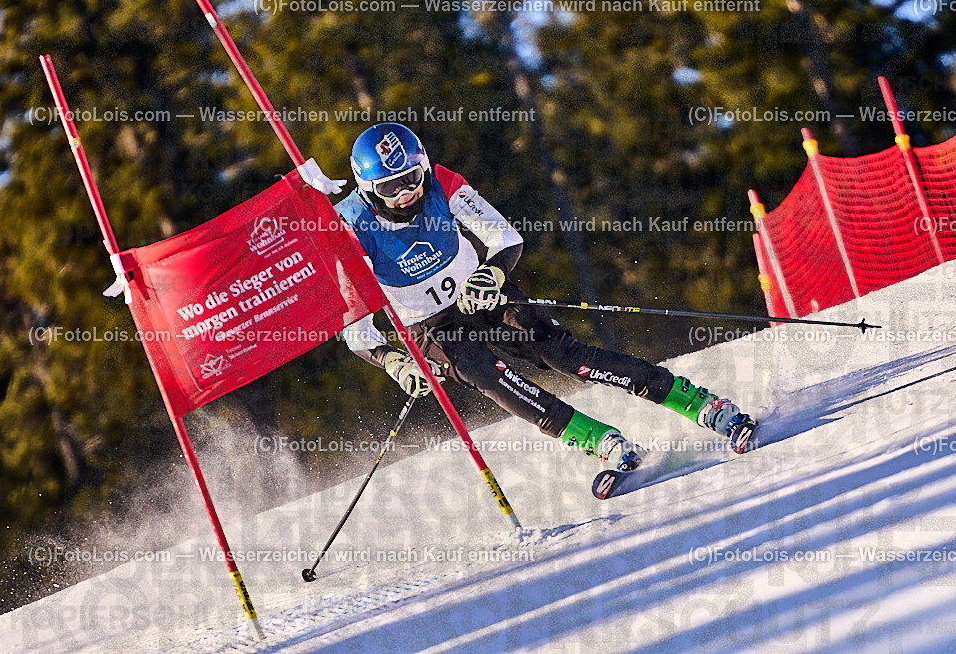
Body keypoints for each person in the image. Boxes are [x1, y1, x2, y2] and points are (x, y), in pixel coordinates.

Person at [299, 123, 756, 472]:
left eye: (412, 178)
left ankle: (703, 405)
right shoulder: (350, 227)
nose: (407, 194)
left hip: (481, 294)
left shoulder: (442, 182)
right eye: (390, 189)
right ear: (366, 189)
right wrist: (394, 363)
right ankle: (602, 441)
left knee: (566, 356)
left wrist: (491, 274)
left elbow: (504, 237)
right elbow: (354, 327)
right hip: (430, 327)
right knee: (493, 379)